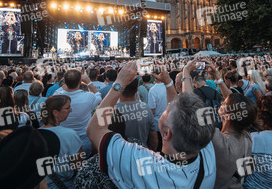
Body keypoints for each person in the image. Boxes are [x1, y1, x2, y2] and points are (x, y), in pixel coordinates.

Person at [87, 61, 217, 188]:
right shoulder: (205, 148)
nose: (170, 103)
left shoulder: (138, 162)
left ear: (166, 134)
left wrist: (119, 84)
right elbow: (190, 110)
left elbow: (94, 130)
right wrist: (172, 81)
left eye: (168, 109)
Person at [40, 95, 86, 188]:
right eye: (68, 108)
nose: (71, 110)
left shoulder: (35, 134)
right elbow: (80, 167)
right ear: (55, 112)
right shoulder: (69, 135)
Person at [53, 69, 101, 156]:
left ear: (64, 81)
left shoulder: (56, 96)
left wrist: (67, 83)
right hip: (83, 139)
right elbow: (99, 96)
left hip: (64, 140)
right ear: (80, 81)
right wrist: (89, 82)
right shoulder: (88, 96)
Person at [115, 78, 158, 150]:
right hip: (141, 154)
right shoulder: (146, 108)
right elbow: (154, 139)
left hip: (118, 156)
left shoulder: (111, 111)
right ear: (137, 90)